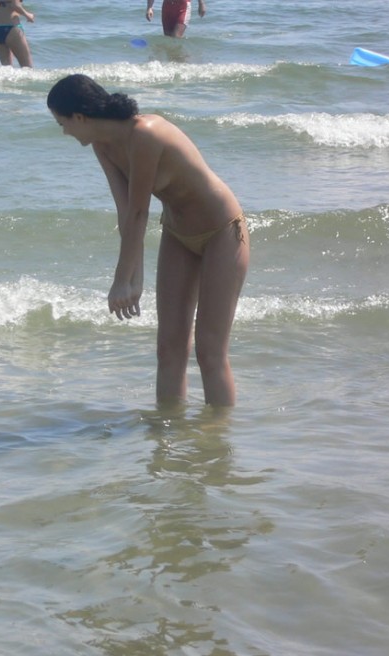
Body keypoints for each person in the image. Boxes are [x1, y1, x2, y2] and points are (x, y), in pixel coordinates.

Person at [47, 74, 249, 407]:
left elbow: (140, 212)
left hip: (223, 232)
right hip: (178, 234)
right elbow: (126, 211)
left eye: (62, 123)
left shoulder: (145, 134)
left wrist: (121, 282)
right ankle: (166, 439)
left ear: (80, 117)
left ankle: (217, 445)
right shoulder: (103, 144)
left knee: (209, 351)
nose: (64, 131)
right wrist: (134, 276)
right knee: (169, 347)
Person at [0, 0, 35, 68]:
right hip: (11, 27)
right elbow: (15, 5)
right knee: (27, 67)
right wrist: (28, 15)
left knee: (6, 68)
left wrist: (2, 8)